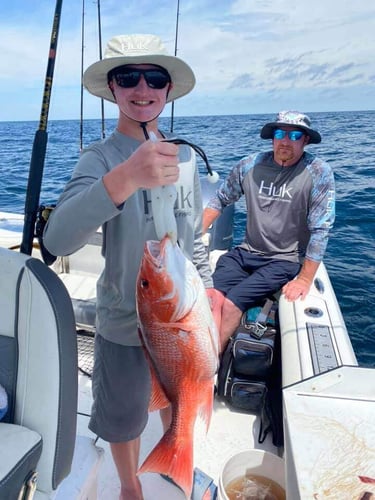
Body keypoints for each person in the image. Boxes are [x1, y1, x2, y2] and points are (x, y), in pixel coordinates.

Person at [43, 34, 218, 500]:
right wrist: (124, 179)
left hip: (182, 317)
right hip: (124, 321)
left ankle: (177, 466)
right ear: (112, 89)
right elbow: (56, 238)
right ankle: (129, 486)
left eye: (155, 78)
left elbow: (192, 240)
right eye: (128, 78)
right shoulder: (98, 158)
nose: (143, 88)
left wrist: (210, 294)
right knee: (122, 416)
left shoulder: (183, 158)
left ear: (168, 89)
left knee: (178, 398)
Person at [203, 110, 335, 351]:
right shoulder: (250, 165)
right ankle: (199, 361)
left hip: (284, 259)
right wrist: (188, 235)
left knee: (233, 303)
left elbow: (320, 229)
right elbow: (219, 200)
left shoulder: (318, 172)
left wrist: (305, 279)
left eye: (294, 135)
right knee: (209, 297)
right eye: (279, 133)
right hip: (245, 253)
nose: (285, 141)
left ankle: (213, 361)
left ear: (305, 140)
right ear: (272, 138)